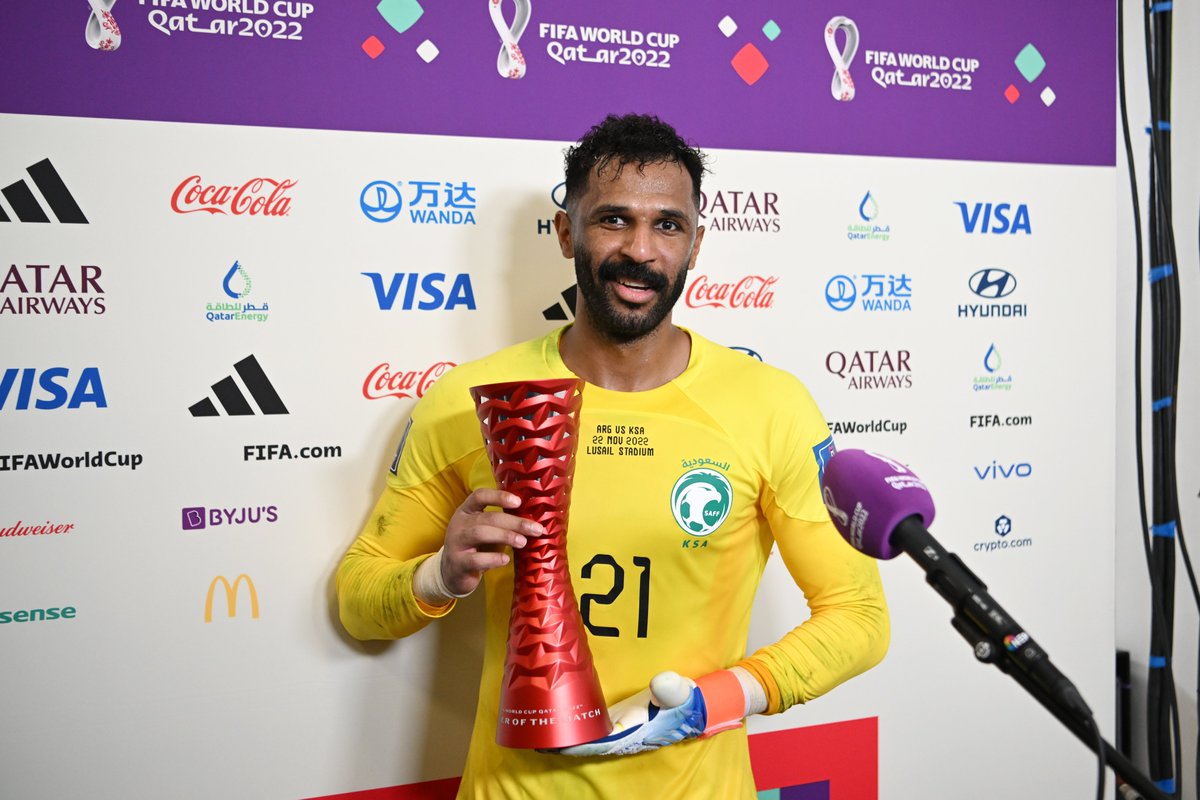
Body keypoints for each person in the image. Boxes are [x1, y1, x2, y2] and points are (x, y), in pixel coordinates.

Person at [337, 113, 889, 798]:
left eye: (668, 225)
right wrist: (439, 576)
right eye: (613, 220)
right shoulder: (470, 399)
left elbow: (859, 616)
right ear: (566, 230)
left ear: (695, 245)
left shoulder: (768, 404)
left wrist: (713, 702)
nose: (641, 249)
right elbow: (359, 599)